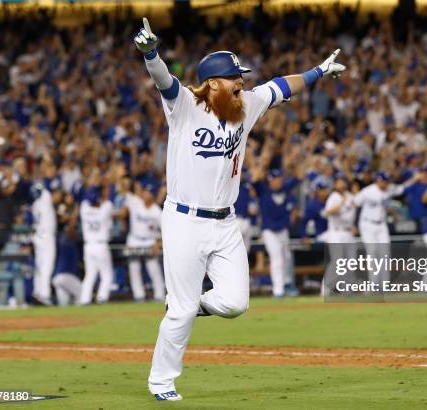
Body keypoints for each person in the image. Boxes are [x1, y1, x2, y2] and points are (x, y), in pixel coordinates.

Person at [135, 18, 345, 401]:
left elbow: (282, 86)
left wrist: (318, 71)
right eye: (234, 77)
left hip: (225, 221)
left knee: (234, 303)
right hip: (184, 219)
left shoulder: (246, 105)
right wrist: (151, 53)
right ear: (213, 82)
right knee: (180, 315)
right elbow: (163, 79)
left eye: (241, 76)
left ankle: (187, 304)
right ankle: (161, 381)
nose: (241, 81)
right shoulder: (184, 105)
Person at [252, 168, 298, 298]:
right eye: (275, 179)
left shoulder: (285, 189)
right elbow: (255, 179)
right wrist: (261, 164)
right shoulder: (263, 190)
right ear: (270, 180)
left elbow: (298, 177)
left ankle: (287, 284)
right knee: (276, 258)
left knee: (287, 258)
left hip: (282, 230)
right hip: (269, 231)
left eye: (279, 179)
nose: (278, 181)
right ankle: (278, 290)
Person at [120, 183, 164, 302]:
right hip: (134, 240)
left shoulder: (157, 211)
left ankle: (159, 295)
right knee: (134, 268)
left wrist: (158, 242)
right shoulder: (135, 203)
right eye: (144, 192)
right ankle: (139, 296)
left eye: (148, 192)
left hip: (149, 241)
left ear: (153, 195)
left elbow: (164, 230)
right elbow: (123, 189)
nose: (145, 194)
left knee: (153, 268)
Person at [79, 187, 115, 305]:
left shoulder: (84, 209)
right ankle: (102, 298)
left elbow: (85, 200)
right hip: (101, 245)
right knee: (106, 274)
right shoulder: (105, 209)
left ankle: (85, 299)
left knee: (90, 274)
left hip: (88, 246)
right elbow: (109, 200)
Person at [30, 182, 57, 305]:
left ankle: (37, 292)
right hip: (46, 236)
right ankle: (44, 295)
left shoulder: (35, 204)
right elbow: (45, 191)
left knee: (39, 267)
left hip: (38, 236)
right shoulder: (45, 199)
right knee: (47, 266)